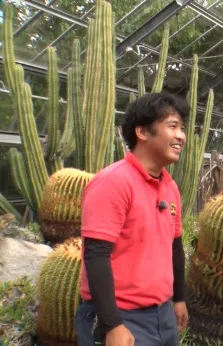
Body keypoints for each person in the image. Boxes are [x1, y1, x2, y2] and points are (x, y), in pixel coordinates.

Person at [74, 93, 190, 346]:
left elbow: (175, 247)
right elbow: (96, 254)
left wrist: (179, 298)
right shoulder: (114, 181)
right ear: (143, 132)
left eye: (182, 128)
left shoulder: (170, 187)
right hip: (121, 316)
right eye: (172, 126)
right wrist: (112, 324)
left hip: (162, 314)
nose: (181, 136)